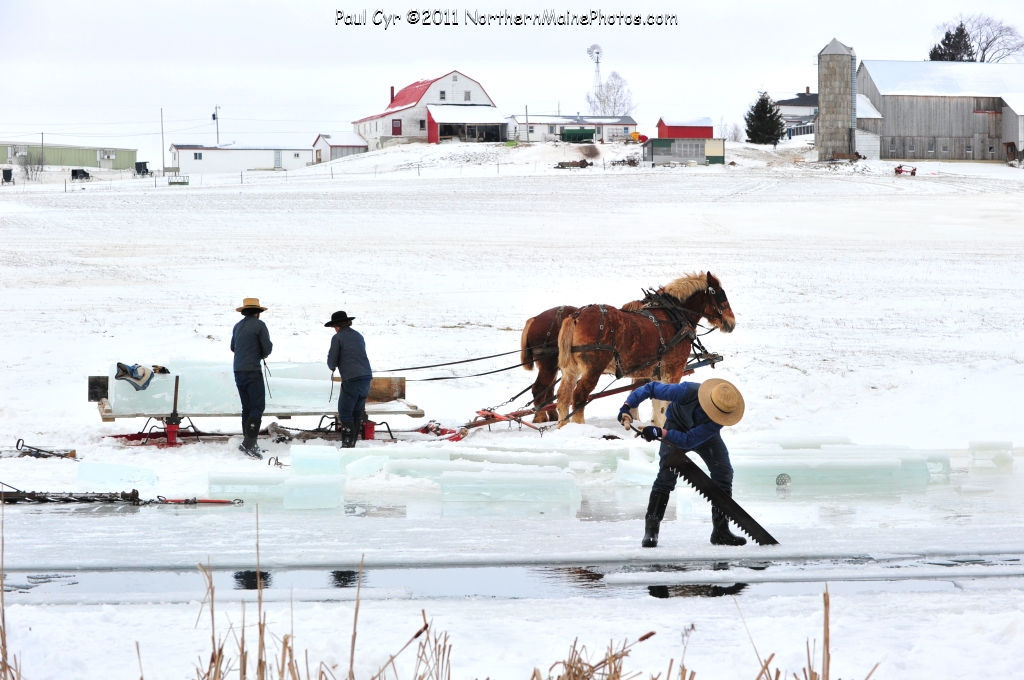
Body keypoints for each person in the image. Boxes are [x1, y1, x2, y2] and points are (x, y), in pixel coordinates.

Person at [618, 379, 746, 548]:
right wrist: (627, 406)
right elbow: (651, 388)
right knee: (666, 477)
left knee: (724, 474)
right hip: (675, 426)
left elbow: (688, 441)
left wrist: (660, 432)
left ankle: (721, 531)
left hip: (702, 436)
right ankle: (651, 532)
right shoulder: (686, 391)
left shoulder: (717, 420)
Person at [230, 298, 273, 458]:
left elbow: (233, 347)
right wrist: (261, 353)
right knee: (257, 406)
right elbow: (266, 348)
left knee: (247, 407)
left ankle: (248, 442)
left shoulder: (237, 326)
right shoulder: (259, 325)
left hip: (238, 370)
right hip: (252, 370)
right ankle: (249, 443)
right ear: (257, 312)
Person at [325, 311, 373, 448]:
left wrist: (332, 366)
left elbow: (332, 361)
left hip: (351, 379)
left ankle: (347, 445)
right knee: (357, 413)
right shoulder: (358, 335)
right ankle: (352, 443)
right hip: (366, 378)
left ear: (336, 325)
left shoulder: (338, 337)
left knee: (345, 413)